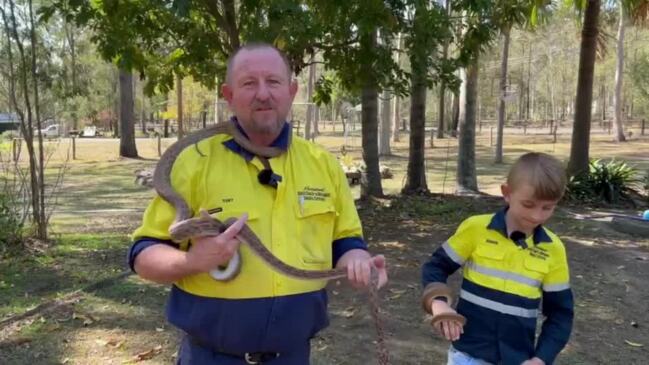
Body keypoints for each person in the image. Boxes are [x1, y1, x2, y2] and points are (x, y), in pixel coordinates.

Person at [127, 43, 388, 365]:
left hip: (292, 356)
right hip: (210, 358)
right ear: (229, 94)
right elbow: (143, 254)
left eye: (273, 82)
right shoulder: (193, 161)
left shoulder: (323, 164)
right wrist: (192, 261)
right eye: (249, 83)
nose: (263, 94)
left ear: (291, 91)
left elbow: (346, 241)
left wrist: (358, 261)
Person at [421, 152, 574, 365]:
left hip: (518, 359)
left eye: (547, 208)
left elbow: (561, 314)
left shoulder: (553, 249)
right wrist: (438, 303)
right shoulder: (475, 229)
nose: (537, 216)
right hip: (466, 355)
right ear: (507, 193)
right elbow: (435, 266)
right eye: (528, 205)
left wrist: (541, 359)